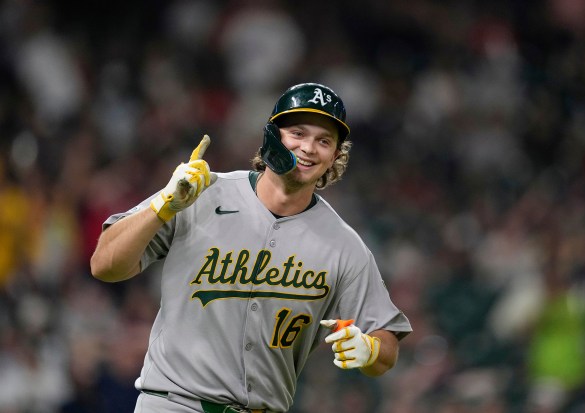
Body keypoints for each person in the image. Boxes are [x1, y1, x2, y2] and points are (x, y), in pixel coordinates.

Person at [90, 83, 412, 413]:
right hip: (175, 404)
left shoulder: (343, 245)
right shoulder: (199, 193)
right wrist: (162, 206)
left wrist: (370, 350)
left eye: (324, 140)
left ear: (335, 157)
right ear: (272, 135)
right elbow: (104, 264)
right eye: (297, 133)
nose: (309, 148)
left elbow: (386, 345)